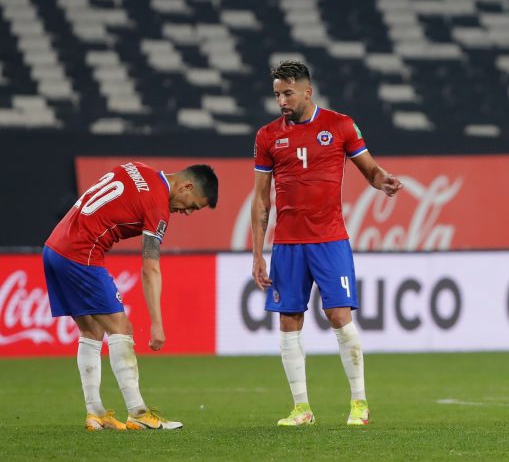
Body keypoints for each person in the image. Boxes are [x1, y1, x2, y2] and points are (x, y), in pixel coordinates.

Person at [251, 60, 404, 427]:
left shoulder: (339, 125)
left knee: (339, 316)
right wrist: (258, 253)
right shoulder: (267, 136)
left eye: (287, 93)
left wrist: (383, 179)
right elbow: (261, 200)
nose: (282, 101)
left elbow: (370, 170)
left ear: (307, 91)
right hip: (287, 244)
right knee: (289, 319)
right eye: (276, 95)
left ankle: (359, 403)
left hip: (330, 239)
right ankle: (301, 408)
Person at [43, 161, 219, 430]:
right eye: (193, 205)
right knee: (121, 328)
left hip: (54, 248)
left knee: (91, 331)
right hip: (81, 253)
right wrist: (157, 323)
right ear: (187, 186)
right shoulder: (158, 207)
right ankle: (138, 412)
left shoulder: (137, 168)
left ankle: (95, 413)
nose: (188, 212)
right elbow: (150, 268)